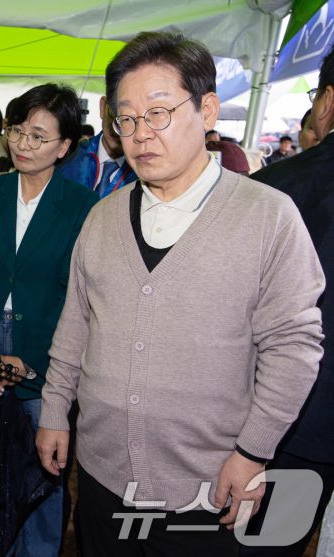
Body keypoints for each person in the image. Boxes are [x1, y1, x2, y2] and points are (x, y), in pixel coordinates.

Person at [36, 32, 324, 557]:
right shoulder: (102, 218)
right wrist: (55, 410)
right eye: (126, 119)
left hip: (207, 486)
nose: (140, 134)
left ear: (207, 110)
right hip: (102, 475)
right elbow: (76, 322)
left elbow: (294, 347)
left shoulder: (267, 216)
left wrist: (253, 452)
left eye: (158, 113)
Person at [0, 83, 99, 557]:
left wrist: (30, 364)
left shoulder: (82, 206)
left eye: (38, 136)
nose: (22, 143)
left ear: (64, 146)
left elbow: (75, 300)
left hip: (45, 362)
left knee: (41, 481)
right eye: (17, 130)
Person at [245, 44, 334, 557]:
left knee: (265, 546)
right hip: (300, 424)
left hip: (292, 423)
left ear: (327, 102)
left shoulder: (275, 190)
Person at [60, 95, 138, 197]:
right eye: (114, 111)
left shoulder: (146, 177)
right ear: (103, 106)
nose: (117, 127)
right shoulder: (67, 157)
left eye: (128, 118)